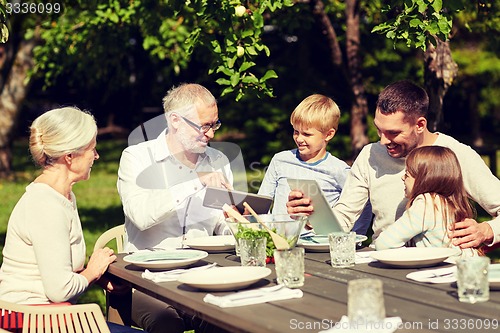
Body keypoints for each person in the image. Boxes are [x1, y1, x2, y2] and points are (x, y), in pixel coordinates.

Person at [287, 80, 500, 249]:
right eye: (379, 130)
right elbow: (343, 219)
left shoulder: (454, 154)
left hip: (440, 269)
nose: (383, 141)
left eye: (393, 133)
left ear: (420, 124)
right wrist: (310, 216)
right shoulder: (370, 155)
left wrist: (487, 231)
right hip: (383, 263)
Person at [0, 107, 137, 332]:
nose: (97, 156)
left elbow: (55, 267)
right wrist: (92, 271)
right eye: (92, 149)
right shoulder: (46, 205)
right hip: (27, 321)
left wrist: (94, 277)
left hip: (46, 318)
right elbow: (59, 290)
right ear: (70, 157)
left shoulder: (62, 195)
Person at [116, 83, 232, 333]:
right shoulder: (137, 157)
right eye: (204, 126)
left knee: (229, 321)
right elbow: (141, 215)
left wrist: (235, 221)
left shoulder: (217, 161)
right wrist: (195, 182)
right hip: (147, 278)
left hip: (201, 273)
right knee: (167, 326)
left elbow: (221, 222)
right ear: (175, 120)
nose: (211, 134)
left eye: (214, 124)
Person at [257, 94, 372, 234]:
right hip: (280, 241)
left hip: (319, 245)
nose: (299, 138)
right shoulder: (280, 160)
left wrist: (356, 237)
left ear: (328, 135)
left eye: (307, 134)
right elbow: (262, 202)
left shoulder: (339, 170)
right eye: (295, 131)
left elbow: (362, 206)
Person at [374, 146, 480, 257]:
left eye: (407, 174)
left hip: (448, 270)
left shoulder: (427, 203)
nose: (402, 178)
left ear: (424, 180)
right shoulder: (448, 202)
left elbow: (383, 243)